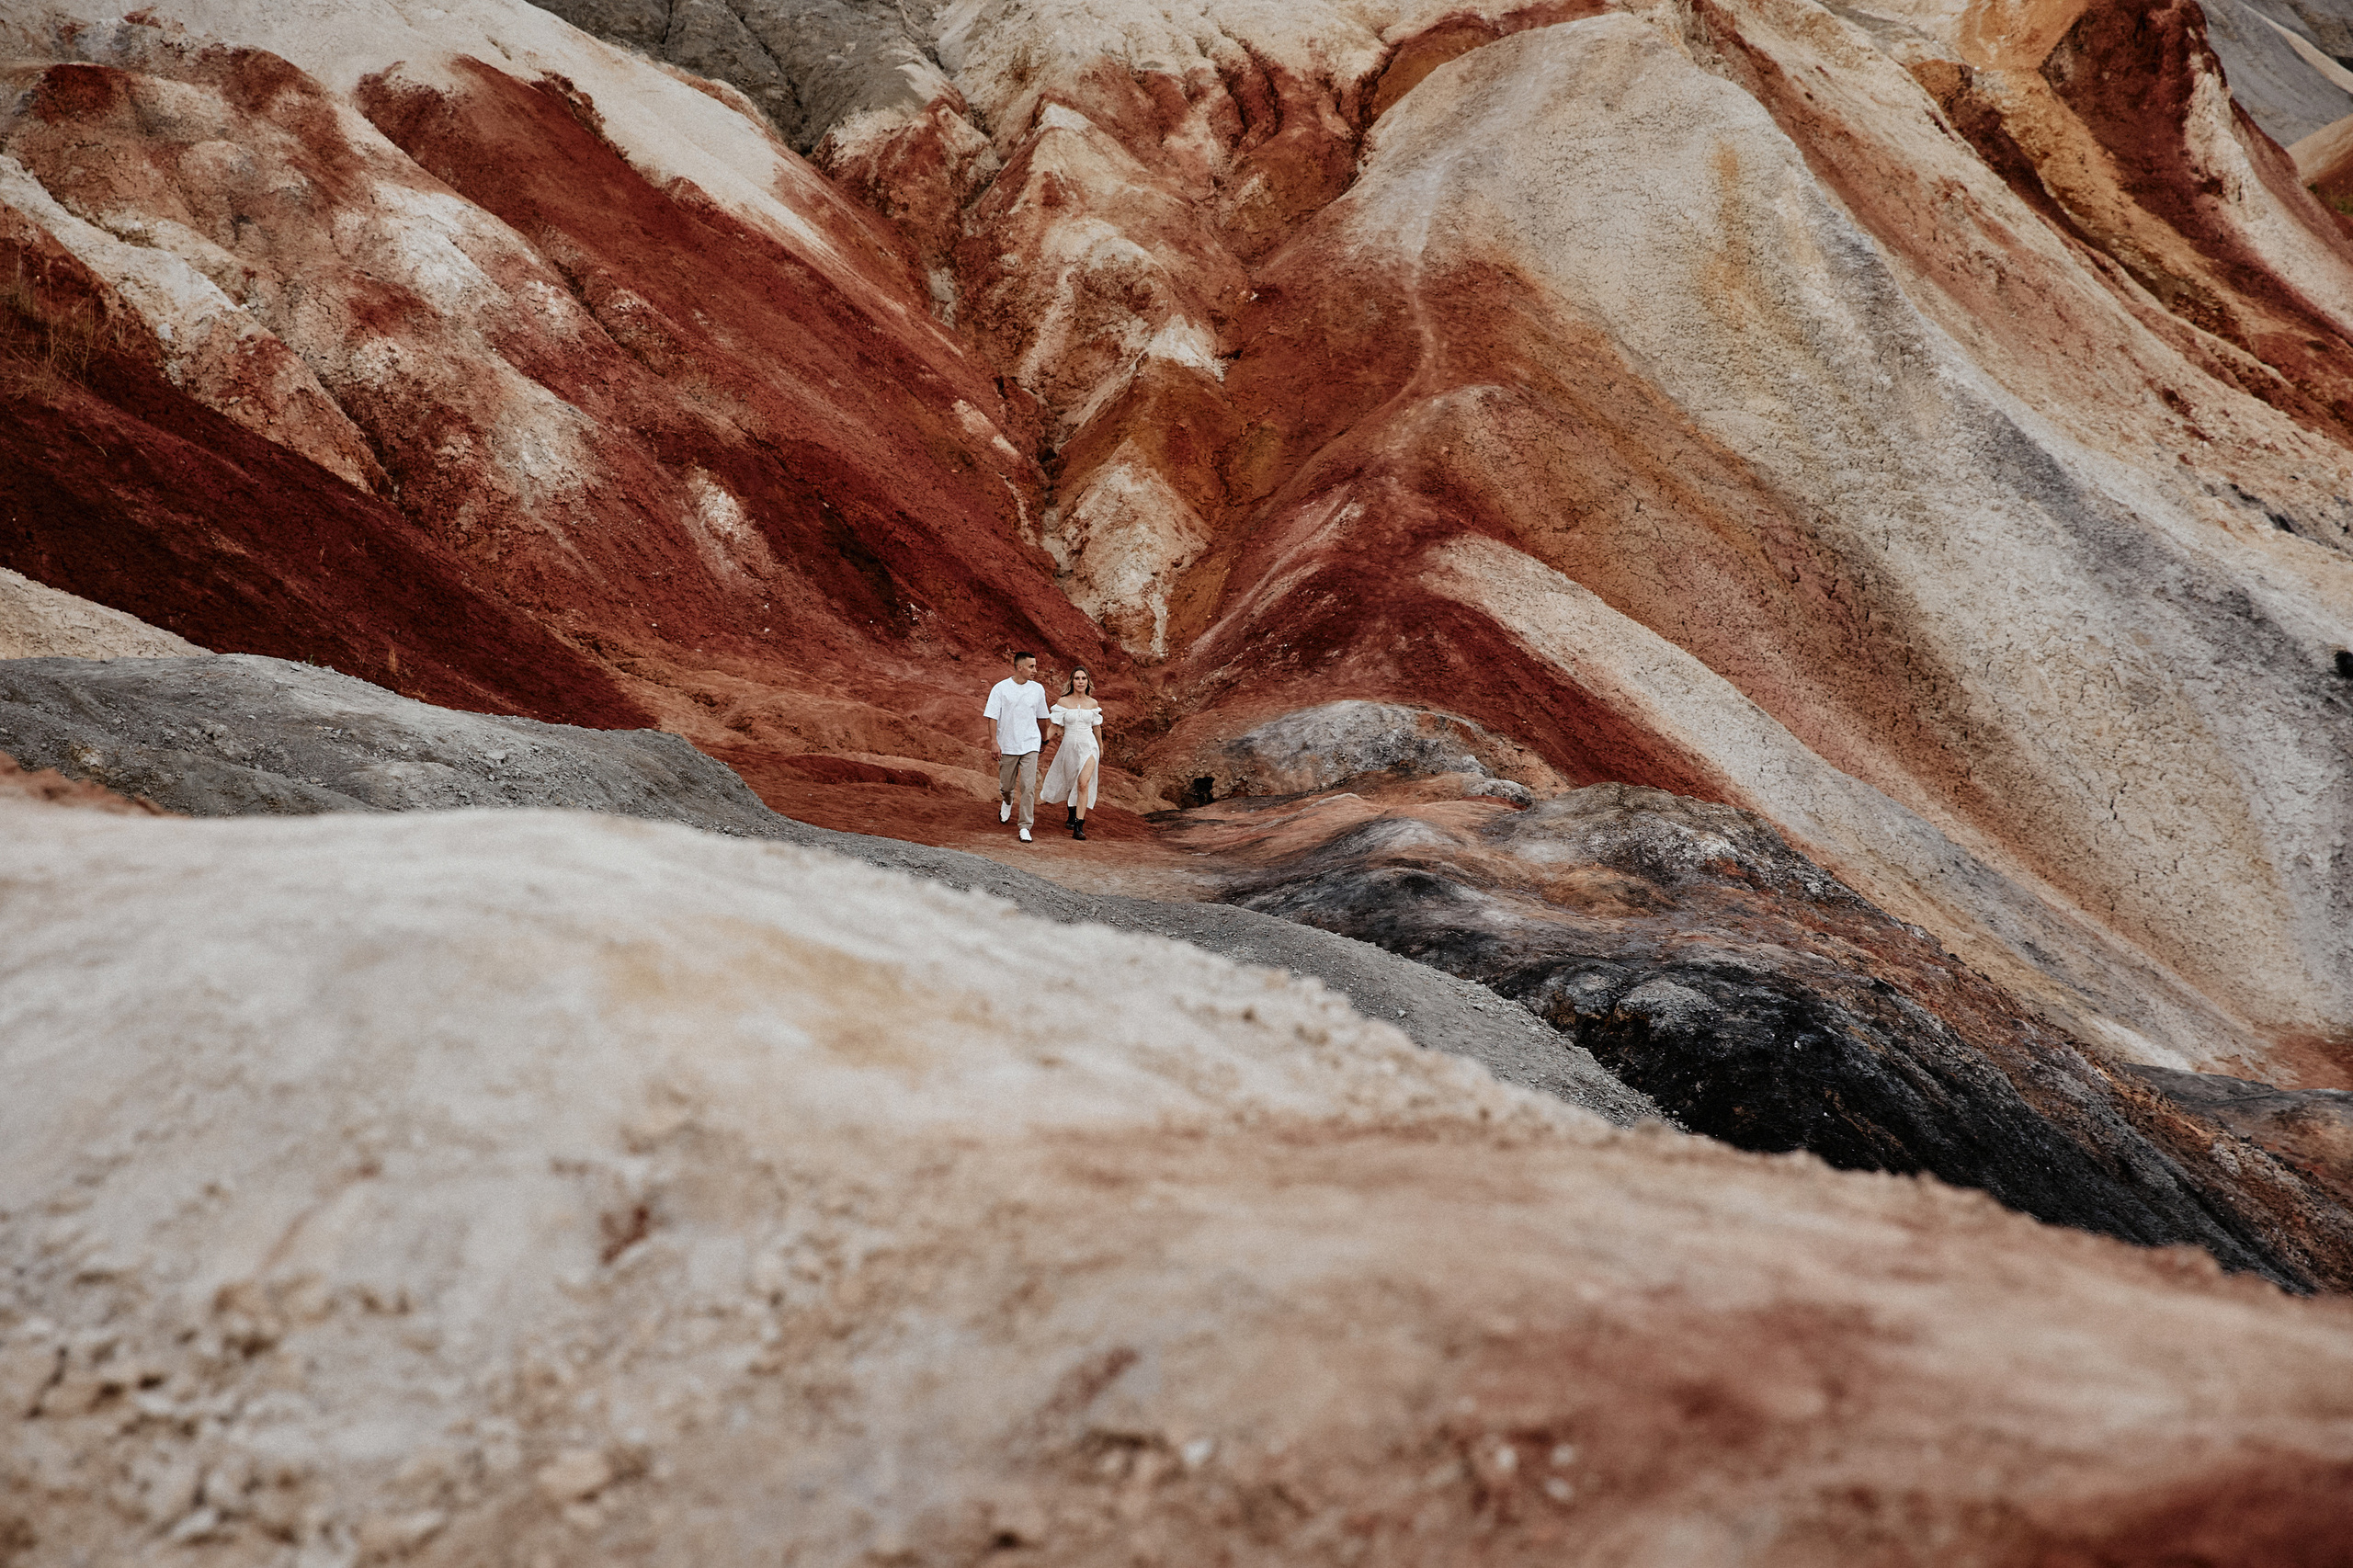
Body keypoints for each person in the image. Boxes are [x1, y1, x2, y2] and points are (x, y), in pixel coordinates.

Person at [983, 650, 1052, 843]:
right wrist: (994, 742)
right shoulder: (1000, 688)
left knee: (1028, 786)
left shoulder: (1037, 689)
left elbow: (1042, 717)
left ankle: (1025, 826)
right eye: (1031, 667)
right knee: (1006, 786)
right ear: (1019, 667)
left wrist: (1043, 740)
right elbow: (992, 717)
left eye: (1035, 666)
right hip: (1008, 744)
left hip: (1030, 742)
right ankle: (1007, 801)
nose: (1035, 670)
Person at [1040, 665, 1105, 841]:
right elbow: (1054, 726)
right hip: (1069, 747)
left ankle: (1079, 825)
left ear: (1088, 681)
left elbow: (1096, 727)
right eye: (1077, 678)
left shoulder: (1093, 704)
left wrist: (1100, 746)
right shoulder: (1063, 702)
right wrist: (1042, 741)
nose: (1080, 682)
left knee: (1083, 783)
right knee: (1071, 782)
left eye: (1083, 678)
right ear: (1072, 681)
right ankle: (1071, 812)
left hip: (1089, 746)